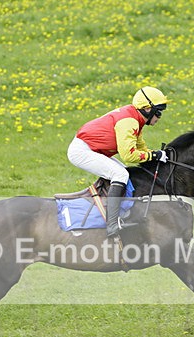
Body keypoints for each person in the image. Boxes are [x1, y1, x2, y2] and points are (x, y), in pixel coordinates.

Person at [67, 86, 169, 238]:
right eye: (159, 112)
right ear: (147, 109)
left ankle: (120, 211)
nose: (159, 117)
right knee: (120, 174)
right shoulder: (129, 121)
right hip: (82, 150)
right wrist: (154, 155)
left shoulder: (136, 118)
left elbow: (140, 147)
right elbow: (129, 155)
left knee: (126, 174)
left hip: (93, 148)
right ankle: (112, 224)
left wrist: (157, 158)